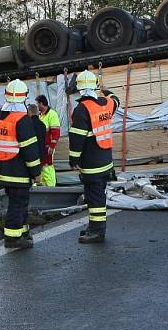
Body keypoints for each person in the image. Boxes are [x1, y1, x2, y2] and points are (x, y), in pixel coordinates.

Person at [0, 78, 42, 249]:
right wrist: (36, 172)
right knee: (18, 203)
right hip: (17, 170)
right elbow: (30, 150)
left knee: (19, 201)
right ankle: (12, 237)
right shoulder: (22, 119)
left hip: (0, 169)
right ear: (24, 97)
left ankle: (23, 231)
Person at [68, 69, 119, 244]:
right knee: (98, 195)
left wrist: (73, 160)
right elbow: (116, 100)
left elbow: (77, 139)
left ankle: (97, 232)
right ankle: (94, 227)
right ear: (95, 86)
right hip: (105, 160)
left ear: (79, 88)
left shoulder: (81, 109)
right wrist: (105, 90)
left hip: (91, 164)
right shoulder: (106, 103)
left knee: (94, 198)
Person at [35, 94, 61, 186]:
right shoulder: (40, 115)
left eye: (38, 104)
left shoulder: (52, 114)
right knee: (42, 167)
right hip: (41, 148)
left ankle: (51, 186)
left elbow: (56, 132)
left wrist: (52, 146)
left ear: (42, 103)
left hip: (48, 147)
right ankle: (44, 187)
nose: (37, 106)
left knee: (47, 167)